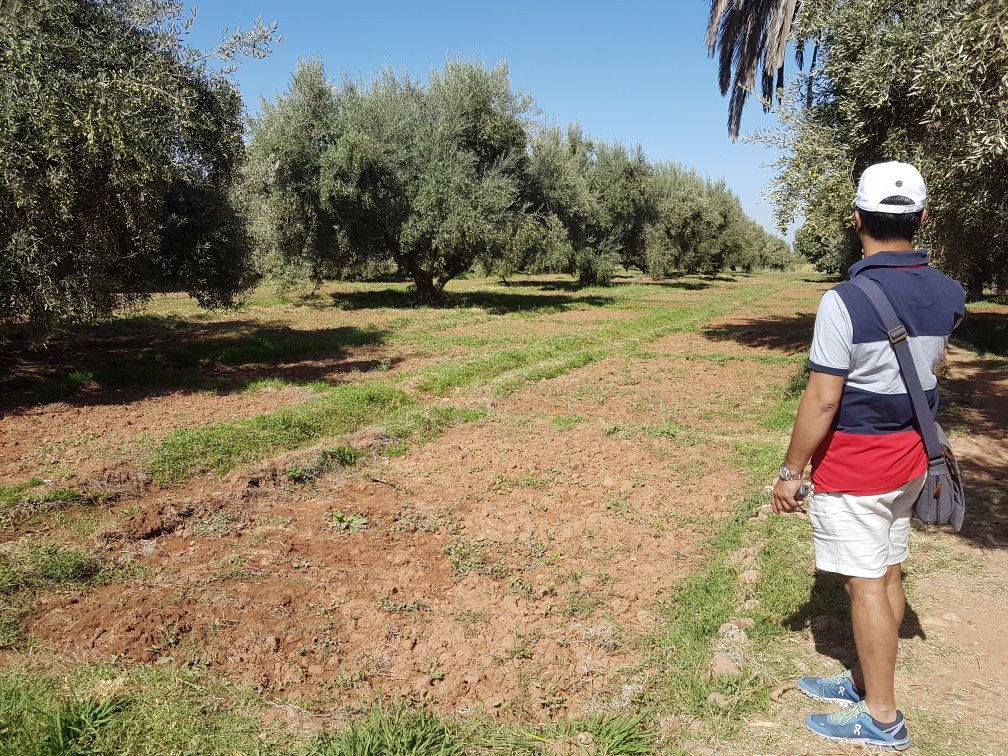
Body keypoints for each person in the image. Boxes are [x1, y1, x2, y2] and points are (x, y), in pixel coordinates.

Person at [771, 161, 966, 750]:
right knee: (888, 568)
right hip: (913, 459)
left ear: (857, 219)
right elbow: (931, 367)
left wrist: (790, 472)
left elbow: (823, 399)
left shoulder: (844, 301)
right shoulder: (950, 293)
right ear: (922, 219)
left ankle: (882, 718)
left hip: (857, 466)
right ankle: (864, 680)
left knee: (866, 585)